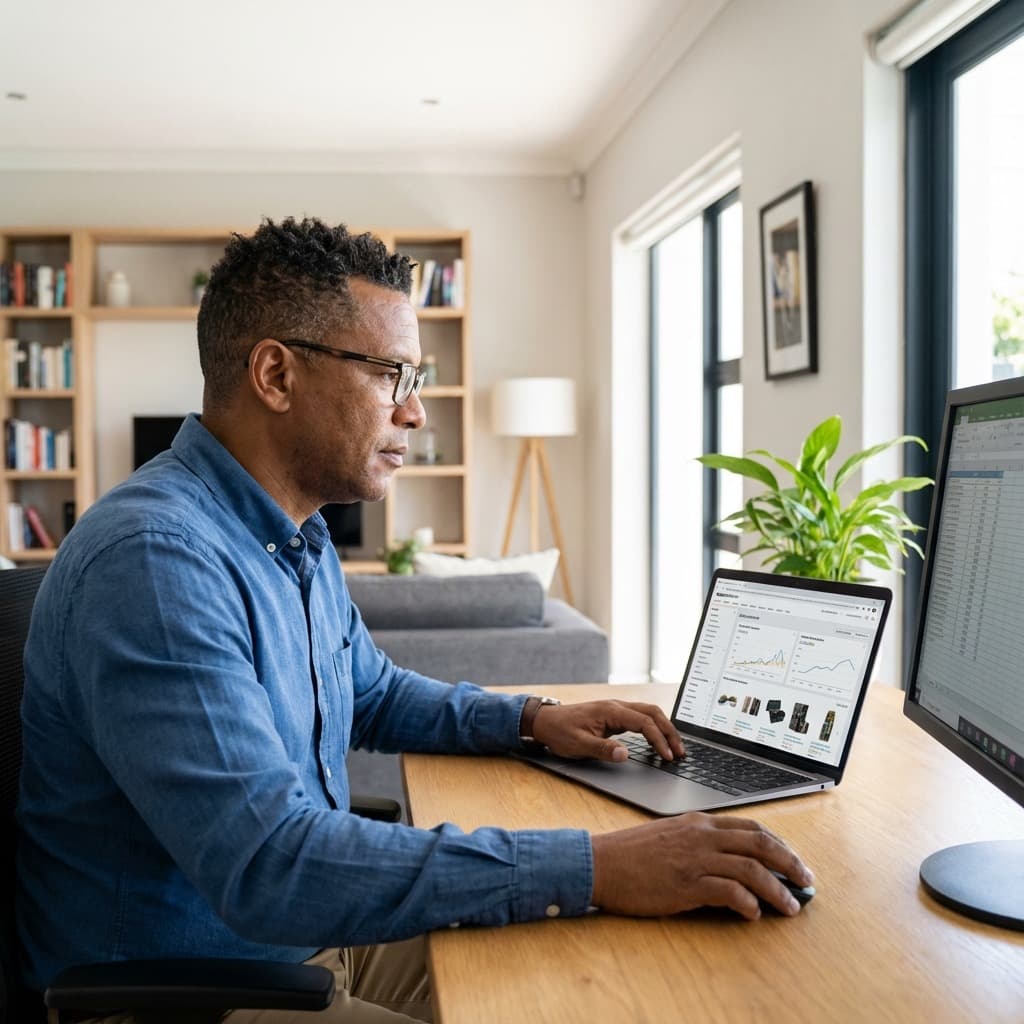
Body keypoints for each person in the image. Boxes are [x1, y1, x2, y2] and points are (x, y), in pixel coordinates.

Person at [16, 218, 813, 1023]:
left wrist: (535, 719)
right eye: (393, 374)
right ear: (275, 374)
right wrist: (597, 865)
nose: (417, 414)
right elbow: (269, 866)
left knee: (610, 979)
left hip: (305, 939)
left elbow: (371, 691)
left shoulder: (294, 532)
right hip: (189, 988)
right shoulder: (156, 561)